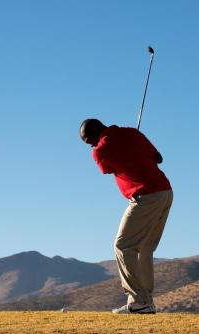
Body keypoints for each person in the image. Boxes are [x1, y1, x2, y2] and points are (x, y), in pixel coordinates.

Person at [79, 119, 173, 314]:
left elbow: (106, 169)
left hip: (145, 196)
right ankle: (147, 302)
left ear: (96, 130)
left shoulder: (99, 150)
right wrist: (132, 146)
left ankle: (139, 301)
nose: (90, 145)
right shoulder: (132, 133)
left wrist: (118, 150)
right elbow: (159, 158)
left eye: (88, 140)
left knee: (123, 246)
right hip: (165, 192)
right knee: (145, 247)